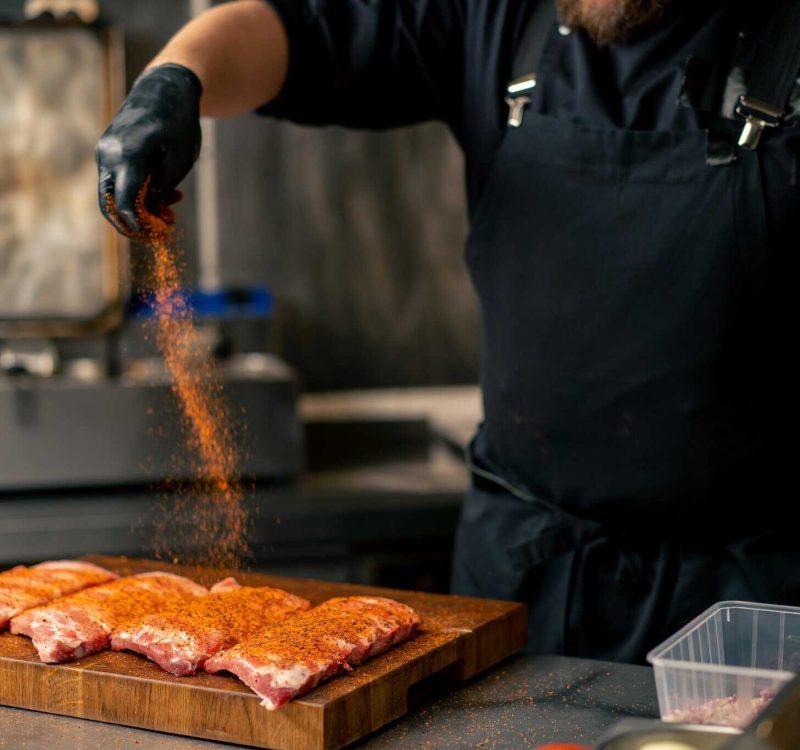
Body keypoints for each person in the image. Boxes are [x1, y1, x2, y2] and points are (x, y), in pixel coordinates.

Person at [96, 0, 800, 663]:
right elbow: (300, 30)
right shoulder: (499, 16)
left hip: (754, 600)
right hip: (526, 575)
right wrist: (175, 79)